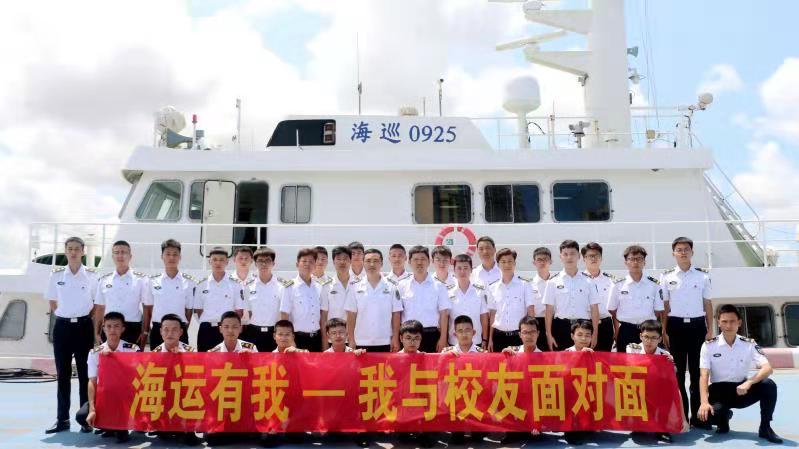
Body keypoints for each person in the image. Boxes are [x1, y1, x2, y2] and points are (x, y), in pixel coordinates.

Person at [697, 304, 782, 443]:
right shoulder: (709, 346)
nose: (728, 325)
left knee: (769, 385)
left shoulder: (749, 344)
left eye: (732, 321)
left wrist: (749, 382)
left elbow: (768, 368)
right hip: (718, 392)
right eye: (724, 321)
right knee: (706, 417)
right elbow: (704, 375)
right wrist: (704, 402)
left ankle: (765, 427)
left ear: (739, 322)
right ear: (718, 323)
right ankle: (723, 418)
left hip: (741, 390)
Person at [44, 236, 98, 434]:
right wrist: (65, 315)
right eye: (70, 248)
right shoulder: (56, 275)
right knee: (63, 375)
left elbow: (96, 304)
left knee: (85, 375)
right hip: (63, 328)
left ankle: (85, 420)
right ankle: (62, 419)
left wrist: (84, 318)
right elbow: (52, 301)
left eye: (77, 249)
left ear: (83, 251)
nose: (73, 252)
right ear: (66, 251)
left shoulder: (91, 276)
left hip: (83, 328)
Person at [660, 236, 713, 428]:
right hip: (675, 327)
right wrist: (664, 331)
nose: (683, 252)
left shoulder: (703, 276)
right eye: (679, 249)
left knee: (698, 373)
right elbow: (665, 307)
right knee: (678, 374)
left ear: (692, 252)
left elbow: (707, 304)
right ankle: (681, 416)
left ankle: (700, 418)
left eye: (686, 249)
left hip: (698, 327)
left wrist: (710, 329)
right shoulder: (666, 277)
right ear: (673, 253)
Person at [76, 312, 140, 443]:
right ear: (103, 328)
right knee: (82, 416)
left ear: (123, 329)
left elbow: (139, 376)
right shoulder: (94, 353)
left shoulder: (133, 349)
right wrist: (92, 408)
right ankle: (108, 426)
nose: (112, 330)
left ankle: (119, 427)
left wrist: (115, 359)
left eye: (116, 326)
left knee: (122, 431)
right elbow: (92, 381)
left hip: (126, 397)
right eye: (109, 326)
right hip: (104, 396)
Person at [149, 314, 199, 445]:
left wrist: (182, 359)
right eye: (166, 329)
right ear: (161, 331)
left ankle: (188, 429)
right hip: (164, 394)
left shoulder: (191, 352)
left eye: (174, 329)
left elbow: (197, 377)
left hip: (184, 393)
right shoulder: (154, 354)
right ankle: (162, 424)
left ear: (181, 332)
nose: (170, 333)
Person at [543, 240, 600, 352]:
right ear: (560, 257)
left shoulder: (589, 281)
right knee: (561, 361)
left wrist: (595, 334)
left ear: (579, 256)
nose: (569, 257)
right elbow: (549, 310)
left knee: (584, 361)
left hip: (583, 329)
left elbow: (594, 308)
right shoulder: (552, 281)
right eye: (565, 254)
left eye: (572, 253)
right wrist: (549, 334)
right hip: (561, 328)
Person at [608, 245, 664, 353]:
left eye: (639, 259)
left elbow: (658, 310)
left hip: (648, 332)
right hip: (626, 330)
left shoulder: (654, 285)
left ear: (644, 262)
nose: (635, 262)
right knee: (624, 362)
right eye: (632, 259)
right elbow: (612, 309)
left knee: (648, 362)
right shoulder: (618, 285)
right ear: (626, 262)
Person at [345, 248, 403, 352]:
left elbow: (396, 314)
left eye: (376, 261)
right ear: (363, 263)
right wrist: (351, 339)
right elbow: (351, 315)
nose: (372, 264)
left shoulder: (392, 286)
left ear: (381, 263)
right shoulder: (354, 286)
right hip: (361, 341)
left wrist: (395, 338)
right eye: (368, 261)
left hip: (385, 340)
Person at [94, 240, 150, 347]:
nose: (120, 255)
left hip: (132, 328)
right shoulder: (104, 280)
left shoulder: (141, 280)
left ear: (130, 256)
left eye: (123, 252)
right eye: (117, 252)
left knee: (132, 358)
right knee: (109, 357)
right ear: (112, 256)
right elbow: (100, 308)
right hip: (109, 328)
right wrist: (97, 333)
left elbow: (146, 307)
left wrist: (145, 331)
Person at [626, 320, 674, 443]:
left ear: (660, 339)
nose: (649, 341)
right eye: (646, 337)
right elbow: (630, 368)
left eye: (654, 338)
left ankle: (662, 428)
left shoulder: (665, 354)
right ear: (640, 336)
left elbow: (673, 375)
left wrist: (671, 365)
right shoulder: (632, 349)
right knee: (639, 430)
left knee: (668, 391)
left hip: (656, 389)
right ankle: (638, 423)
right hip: (636, 389)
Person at [396, 246, 451, 353]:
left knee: (431, 364)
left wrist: (443, 338)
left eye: (423, 259)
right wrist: (397, 338)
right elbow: (397, 314)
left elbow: (444, 314)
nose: (419, 263)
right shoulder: (401, 285)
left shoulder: (439, 286)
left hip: (431, 335)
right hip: (408, 335)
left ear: (429, 262)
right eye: (416, 259)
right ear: (409, 262)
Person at [144, 239, 194, 349]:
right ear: (162, 257)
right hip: (158, 329)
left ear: (180, 257)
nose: (171, 258)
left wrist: (181, 328)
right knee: (157, 360)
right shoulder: (152, 281)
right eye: (168, 254)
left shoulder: (188, 282)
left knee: (180, 360)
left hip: (179, 330)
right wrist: (147, 330)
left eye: (175, 254)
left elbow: (189, 310)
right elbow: (148, 308)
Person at [194, 247, 246, 351]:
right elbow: (198, 310)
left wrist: (228, 325)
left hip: (227, 330)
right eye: (215, 259)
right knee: (205, 359)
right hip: (206, 330)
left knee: (229, 359)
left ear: (227, 262)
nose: (218, 263)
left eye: (221, 260)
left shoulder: (235, 284)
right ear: (209, 261)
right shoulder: (201, 284)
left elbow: (239, 311)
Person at [486, 248, 534, 352]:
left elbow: (530, 311)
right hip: (498, 336)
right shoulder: (492, 287)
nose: (507, 265)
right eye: (503, 262)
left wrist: (530, 337)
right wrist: (490, 339)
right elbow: (493, 315)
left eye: (509, 261)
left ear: (514, 263)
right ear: (498, 264)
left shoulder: (525, 285)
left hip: (519, 336)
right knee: (499, 363)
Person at [279, 248, 324, 351]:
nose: (307, 264)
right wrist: (290, 341)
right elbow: (284, 315)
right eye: (304, 261)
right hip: (297, 339)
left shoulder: (319, 286)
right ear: (297, 264)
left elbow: (321, 315)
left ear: (315, 265)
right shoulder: (289, 287)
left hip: (316, 338)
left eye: (311, 262)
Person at [243, 247, 282, 352]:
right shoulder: (248, 286)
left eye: (267, 260)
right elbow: (247, 311)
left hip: (274, 333)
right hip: (253, 332)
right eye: (260, 261)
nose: (264, 264)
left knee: (274, 362)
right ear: (255, 264)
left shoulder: (281, 286)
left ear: (273, 263)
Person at [447, 254, 489, 350]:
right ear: (454, 270)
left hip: (475, 340)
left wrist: (485, 339)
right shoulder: (448, 292)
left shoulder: (479, 291)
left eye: (466, 268)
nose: (462, 271)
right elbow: (445, 317)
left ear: (471, 270)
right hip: (454, 341)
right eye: (459, 268)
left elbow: (484, 317)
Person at [563, 320, 594, 445]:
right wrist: (580, 356)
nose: (584, 339)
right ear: (572, 336)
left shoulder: (594, 354)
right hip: (571, 395)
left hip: (588, 393)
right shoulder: (566, 353)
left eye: (587, 335)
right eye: (580, 335)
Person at [580, 242, 615, 351]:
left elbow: (615, 307)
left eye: (597, 255)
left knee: (604, 358)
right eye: (590, 256)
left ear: (601, 258)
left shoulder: (611, 280)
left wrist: (616, 330)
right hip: (584, 325)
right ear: (584, 258)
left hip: (605, 324)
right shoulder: (578, 279)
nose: (594, 258)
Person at [320, 246, 353, 349]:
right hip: (334, 338)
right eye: (338, 259)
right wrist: (325, 340)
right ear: (333, 262)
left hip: (355, 338)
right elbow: (324, 316)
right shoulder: (326, 286)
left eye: (345, 259)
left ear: (350, 261)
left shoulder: (359, 284)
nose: (342, 262)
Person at [530, 247, 555, 352]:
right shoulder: (529, 284)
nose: (542, 262)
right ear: (534, 263)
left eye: (545, 259)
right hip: (537, 322)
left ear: (551, 261)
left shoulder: (557, 282)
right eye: (539, 260)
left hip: (555, 323)